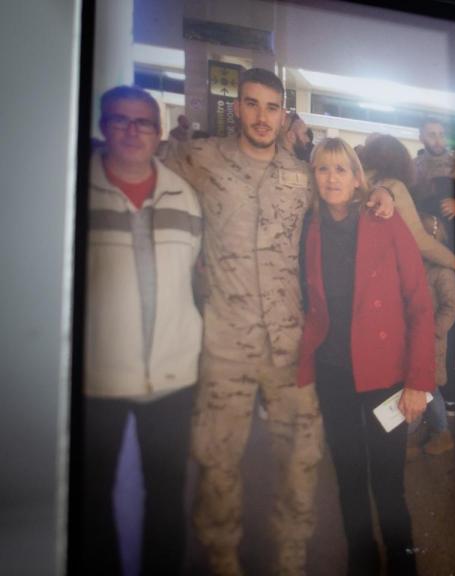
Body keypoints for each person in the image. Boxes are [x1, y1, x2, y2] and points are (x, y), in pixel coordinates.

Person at [163, 67, 393, 576]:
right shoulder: (201, 159)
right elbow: (151, 168)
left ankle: (291, 557)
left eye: (271, 107)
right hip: (227, 340)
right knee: (218, 459)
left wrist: (384, 195)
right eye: (251, 104)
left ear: (284, 115)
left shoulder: (301, 176)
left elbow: (345, 199)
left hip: (293, 343)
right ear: (236, 106)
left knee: (303, 455)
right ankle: (223, 557)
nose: (261, 117)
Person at [296, 137, 434, 575]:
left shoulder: (383, 221)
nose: (331, 177)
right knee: (349, 474)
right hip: (333, 372)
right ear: (313, 177)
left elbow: (419, 302)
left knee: (388, 480)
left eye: (341, 169)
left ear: (358, 178)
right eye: (323, 169)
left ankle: (401, 558)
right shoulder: (309, 228)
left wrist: (419, 382)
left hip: (386, 374)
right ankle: (361, 555)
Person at [82, 86, 202, 575]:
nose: (132, 131)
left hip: (173, 375)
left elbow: (193, 272)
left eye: (143, 123)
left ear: (158, 133)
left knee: (166, 496)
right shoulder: (76, 190)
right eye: (120, 120)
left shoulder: (183, 196)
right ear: (102, 125)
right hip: (97, 379)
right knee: (91, 497)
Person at [361, 133, 455, 275]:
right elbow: (418, 239)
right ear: (401, 161)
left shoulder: (356, 181)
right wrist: (453, 261)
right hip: (381, 266)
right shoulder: (393, 186)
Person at [409, 212, 455, 456]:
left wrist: (433, 333)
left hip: (431, 341)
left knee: (429, 386)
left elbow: (451, 307)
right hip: (414, 338)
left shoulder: (443, 271)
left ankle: (442, 432)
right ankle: (425, 429)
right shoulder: (415, 265)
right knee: (421, 384)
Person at [414, 118, 455, 220]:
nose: (438, 141)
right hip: (425, 226)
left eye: (441, 135)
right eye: (432, 135)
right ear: (421, 138)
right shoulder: (413, 167)